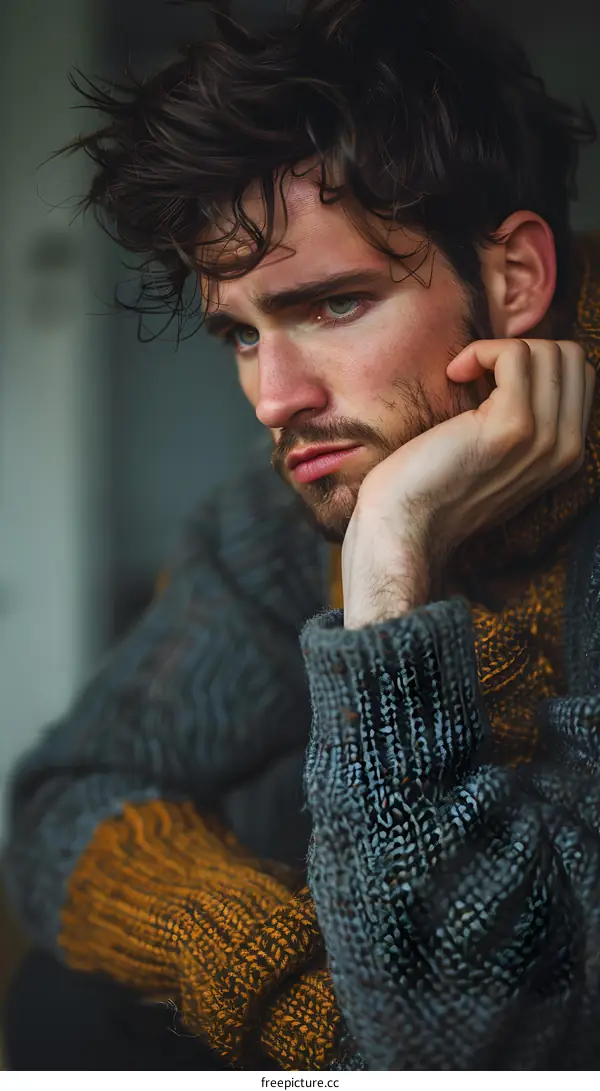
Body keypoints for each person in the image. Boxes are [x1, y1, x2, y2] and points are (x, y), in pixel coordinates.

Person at [4, 0, 600, 1070]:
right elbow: (70, 792)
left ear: (514, 279)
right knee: (66, 996)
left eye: (332, 305)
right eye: (240, 332)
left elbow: (483, 1044)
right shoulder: (283, 508)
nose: (274, 398)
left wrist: (392, 558)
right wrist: (282, 989)